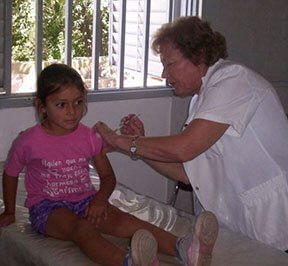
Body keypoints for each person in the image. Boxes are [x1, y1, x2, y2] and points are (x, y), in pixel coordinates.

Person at [95, 16, 288, 252]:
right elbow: (186, 173)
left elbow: (184, 148)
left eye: (170, 64)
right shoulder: (199, 100)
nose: (165, 74)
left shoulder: (234, 79)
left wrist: (122, 141)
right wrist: (139, 145)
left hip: (271, 217)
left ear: (198, 57)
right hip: (233, 220)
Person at [0, 63, 219, 266]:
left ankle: (186, 249)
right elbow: (10, 174)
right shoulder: (28, 141)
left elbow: (107, 177)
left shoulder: (89, 137)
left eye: (78, 102)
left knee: (126, 220)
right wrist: (10, 211)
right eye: (61, 105)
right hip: (48, 208)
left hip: (86, 201)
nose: (72, 111)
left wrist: (99, 200)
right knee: (83, 229)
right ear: (42, 105)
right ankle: (129, 262)